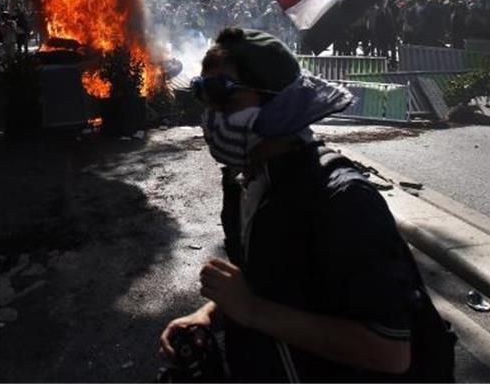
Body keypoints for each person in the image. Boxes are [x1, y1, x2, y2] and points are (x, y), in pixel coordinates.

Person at [160, 28, 453, 382]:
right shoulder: (243, 183)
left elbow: (390, 350)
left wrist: (251, 310)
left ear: (278, 101)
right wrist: (210, 313)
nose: (210, 114)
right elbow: (262, 286)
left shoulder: (343, 201)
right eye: (203, 94)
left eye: (223, 94)